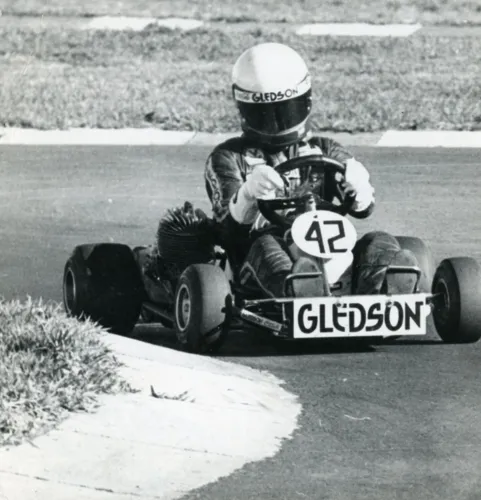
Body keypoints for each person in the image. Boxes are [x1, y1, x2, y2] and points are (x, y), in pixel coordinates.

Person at [203, 42, 417, 298]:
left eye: (286, 111)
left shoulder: (326, 149)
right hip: (255, 259)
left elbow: (364, 210)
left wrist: (359, 188)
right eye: (265, 114)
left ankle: (384, 288)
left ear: (305, 101)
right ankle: (298, 289)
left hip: (327, 244)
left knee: (378, 240)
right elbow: (225, 231)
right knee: (267, 244)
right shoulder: (228, 157)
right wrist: (248, 194)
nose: (277, 123)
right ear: (245, 108)